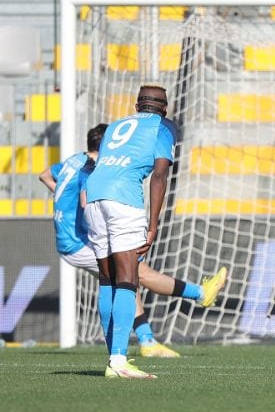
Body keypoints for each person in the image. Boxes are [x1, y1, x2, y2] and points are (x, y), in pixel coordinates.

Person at [39, 124, 228, 359]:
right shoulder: (92, 169)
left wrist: (62, 200)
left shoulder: (73, 161)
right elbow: (87, 204)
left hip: (69, 238)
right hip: (77, 243)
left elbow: (45, 174)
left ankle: (147, 340)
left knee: (128, 279)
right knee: (138, 272)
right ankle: (200, 294)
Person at [83, 85, 178, 378]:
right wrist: (153, 224)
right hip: (124, 199)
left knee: (107, 279)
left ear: (137, 105)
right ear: (164, 108)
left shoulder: (115, 126)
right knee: (128, 279)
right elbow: (159, 176)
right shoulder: (164, 127)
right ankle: (119, 362)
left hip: (94, 196)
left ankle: (114, 357)